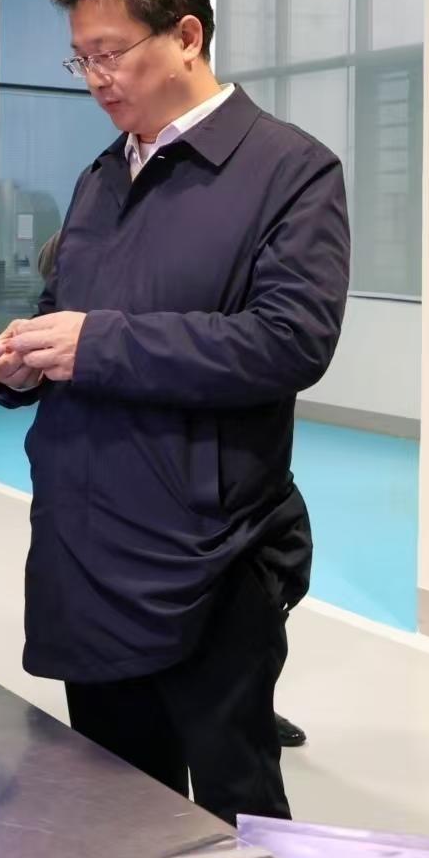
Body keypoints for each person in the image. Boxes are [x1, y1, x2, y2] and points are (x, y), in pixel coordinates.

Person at [0, 0, 347, 822]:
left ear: (186, 35)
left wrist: (96, 345)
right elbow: (67, 311)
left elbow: (290, 341)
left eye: (112, 53)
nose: (97, 79)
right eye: (82, 60)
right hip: (83, 542)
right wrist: (23, 363)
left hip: (208, 554)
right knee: (110, 800)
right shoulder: (103, 177)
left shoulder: (288, 171)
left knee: (231, 806)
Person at [35, 225, 309, 752]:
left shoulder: (268, 203)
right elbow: (57, 307)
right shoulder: (92, 210)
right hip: (103, 509)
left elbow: (287, 342)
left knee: (230, 714)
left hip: (223, 503)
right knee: (121, 756)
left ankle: (251, 703)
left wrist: (105, 343)